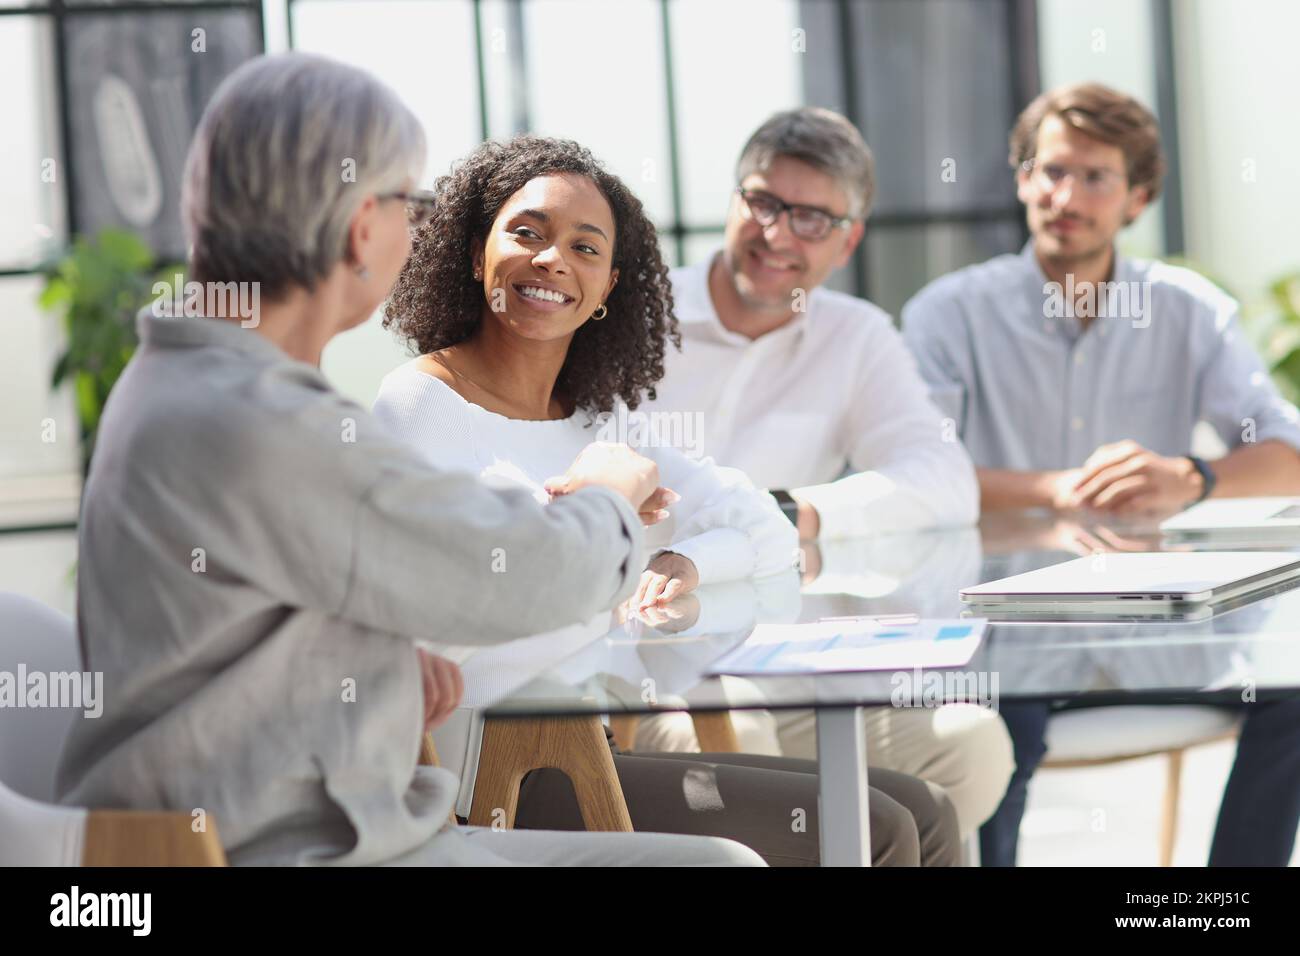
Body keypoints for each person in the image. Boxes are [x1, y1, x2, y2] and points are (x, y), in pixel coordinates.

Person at [53, 52, 765, 867]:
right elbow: (529, 576)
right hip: (282, 847)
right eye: (407, 203)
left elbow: (259, 615)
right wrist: (606, 494)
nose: (415, 226)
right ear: (362, 225)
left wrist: (381, 665)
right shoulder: (261, 420)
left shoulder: (187, 379)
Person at [373, 134, 962, 866]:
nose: (553, 259)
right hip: (498, 764)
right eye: (526, 233)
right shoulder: (418, 408)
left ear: (609, 287)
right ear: (475, 252)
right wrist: (607, 514)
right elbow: (438, 619)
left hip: (599, 736)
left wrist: (680, 559)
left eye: (585, 248)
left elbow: (763, 528)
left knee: (923, 812)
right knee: (876, 829)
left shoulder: (595, 419)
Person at [903, 81, 1300, 866]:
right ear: (1021, 181)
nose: (1066, 195)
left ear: (1138, 198)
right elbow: (915, 471)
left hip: (1164, 636)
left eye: (1096, 178)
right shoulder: (949, 313)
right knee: (980, 743)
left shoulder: (1192, 310)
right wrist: (1052, 489)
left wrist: (1193, 476)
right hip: (1010, 646)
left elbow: (1287, 455)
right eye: (1050, 171)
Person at [632, 107, 1013, 841]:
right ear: (736, 201)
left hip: (801, 678)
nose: (777, 235)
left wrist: (797, 512)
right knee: (743, 745)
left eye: (811, 219)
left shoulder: (856, 335)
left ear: (850, 238)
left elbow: (943, 478)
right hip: (664, 679)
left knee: (973, 744)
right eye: (763, 202)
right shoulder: (639, 319)